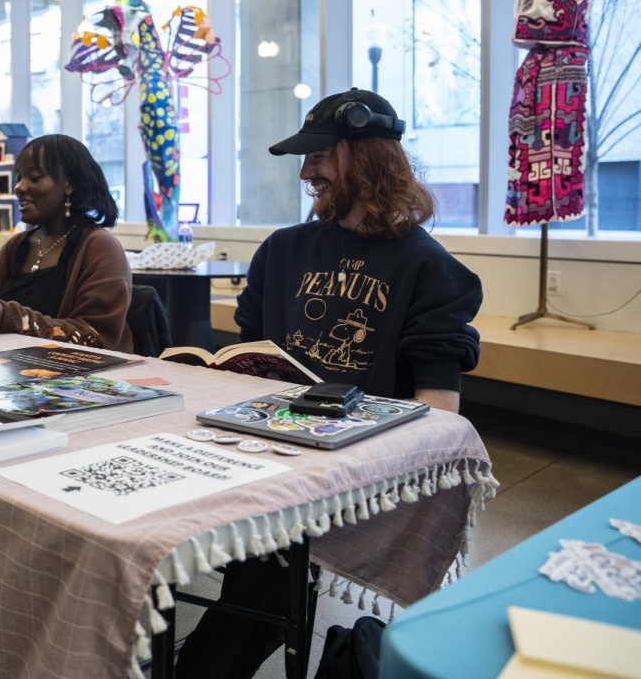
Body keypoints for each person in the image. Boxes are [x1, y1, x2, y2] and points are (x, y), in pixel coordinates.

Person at [175, 88, 483, 678]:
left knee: (266, 570)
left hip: (356, 469)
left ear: (367, 157)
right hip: (258, 445)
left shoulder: (429, 267)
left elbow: (439, 414)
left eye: (320, 154)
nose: (306, 170)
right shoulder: (282, 250)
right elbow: (249, 354)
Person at [0, 134, 134, 352]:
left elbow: (95, 335)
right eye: (19, 178)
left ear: (69, 184)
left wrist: (13, 318)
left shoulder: (100, 247)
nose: (19, 188)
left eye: (34, 178)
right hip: (15, 370)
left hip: (78, 379)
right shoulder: (16, 247)